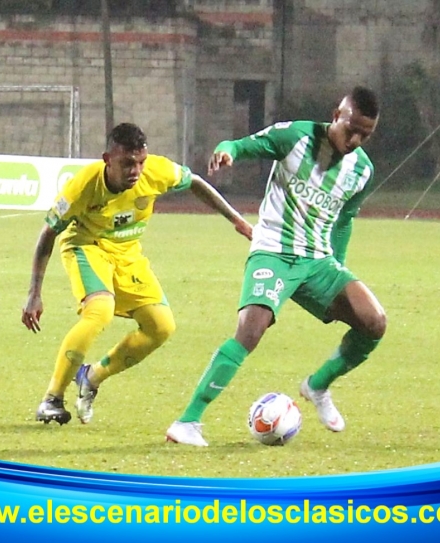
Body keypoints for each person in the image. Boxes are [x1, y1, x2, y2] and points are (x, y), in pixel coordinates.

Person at [166, 86, 387, 447]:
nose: (357, 139)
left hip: (318, 261)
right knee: (251, 330)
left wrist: (338, 267)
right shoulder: (295, 136)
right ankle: (187, 421)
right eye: (352, 128)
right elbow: (241, 145)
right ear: (336, 115)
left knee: (374, 322)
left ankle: (318, 386)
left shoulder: (362, 171)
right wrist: (226, 152)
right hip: (273, 251)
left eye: (367, 134)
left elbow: (344, 219)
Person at [22, 122, 253, 425]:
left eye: (140, 162)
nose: (136, 170)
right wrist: (34, 293)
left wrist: (237, 220)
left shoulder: (157, 171)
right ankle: (52, 398)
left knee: (161, 326)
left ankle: (92, 377)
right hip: (86, 246)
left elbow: (195, 182)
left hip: (128, 253)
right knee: (99, 311)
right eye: (127, 163)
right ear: (108, 159)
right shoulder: (82, 187)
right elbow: (47, 235)